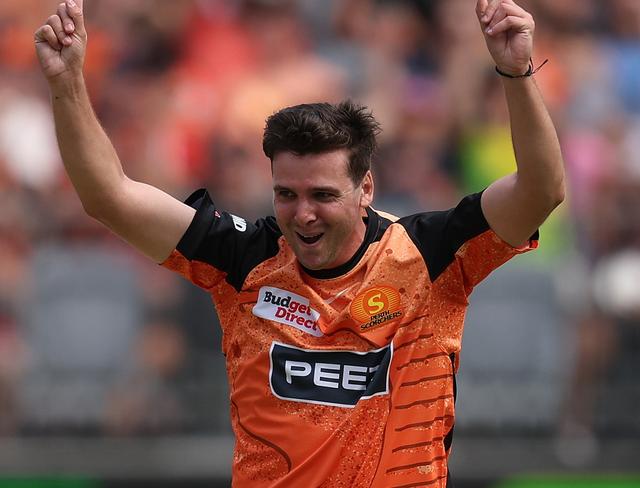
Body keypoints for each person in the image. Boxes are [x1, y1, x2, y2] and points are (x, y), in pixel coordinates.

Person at [34, 0, 564, 486]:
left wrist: (515, 72)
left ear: (366, 189)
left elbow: (542, 191)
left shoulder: (432, 254)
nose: (303, 214)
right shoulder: (242, 258)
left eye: (322, 195)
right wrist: (67, 83)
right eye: (286, 193)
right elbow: (109, 197)